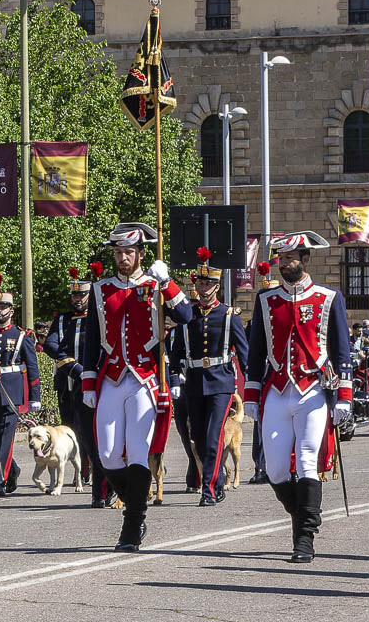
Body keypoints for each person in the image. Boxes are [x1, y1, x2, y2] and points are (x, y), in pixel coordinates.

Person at [80, 223, 191, 552]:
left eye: (129, 252)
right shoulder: (101, 290)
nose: (123, 258)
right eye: (118, 252)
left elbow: (185, 315)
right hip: (112, 375)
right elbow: (91, 340)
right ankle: (136, 507)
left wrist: (168, 283)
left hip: (145, 377)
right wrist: (88, 379)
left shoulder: (155, 284)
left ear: (141, 253)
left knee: (138, 450)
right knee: (108, 454)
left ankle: (132, 525)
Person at [244, 232, 351, 563]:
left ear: (306, 260)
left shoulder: (328, 297)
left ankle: (304, 537)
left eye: (292, 257)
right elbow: (256, 350)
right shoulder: (266, 300)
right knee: (274, 469)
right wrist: (251, 391)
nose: (285, 263)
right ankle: (303, 515)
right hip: (276, 388)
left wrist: (344, 396)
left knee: (306, 459)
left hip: (313, 390)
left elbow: (341, 348)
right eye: (282, 257)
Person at [169, 256, 249, 507]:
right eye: (200, 284)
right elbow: (176, 354)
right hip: (194, 383)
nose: (203, 288)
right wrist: (173, 377)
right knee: (200, 439)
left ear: (216, 286)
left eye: (208, 284)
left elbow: (244, 354)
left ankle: (209, 490)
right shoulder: (187, 318)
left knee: (215, 434)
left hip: (221, 384)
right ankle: (218, 475)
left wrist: (255, 386)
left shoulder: (228, 316)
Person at [42, 270, 102, 504]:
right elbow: (52, 346)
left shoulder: (96, 318)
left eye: (82, 295)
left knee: (89, 430)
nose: (77, 300)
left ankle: (90, 469)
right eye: (74, 296)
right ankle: (79, 471)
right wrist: (74, 369)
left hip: (92, 381)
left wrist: (87, 372)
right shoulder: (63, 319)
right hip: (68, 381)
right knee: (69, 427)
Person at [0, 286, 41, 497]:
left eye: (3, 307)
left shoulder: (21, 334)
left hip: (11, 392)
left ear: (11, 311)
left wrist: (35, 396)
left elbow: (33, 367)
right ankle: (13, 468)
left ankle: (0, 480)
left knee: (5, 438)